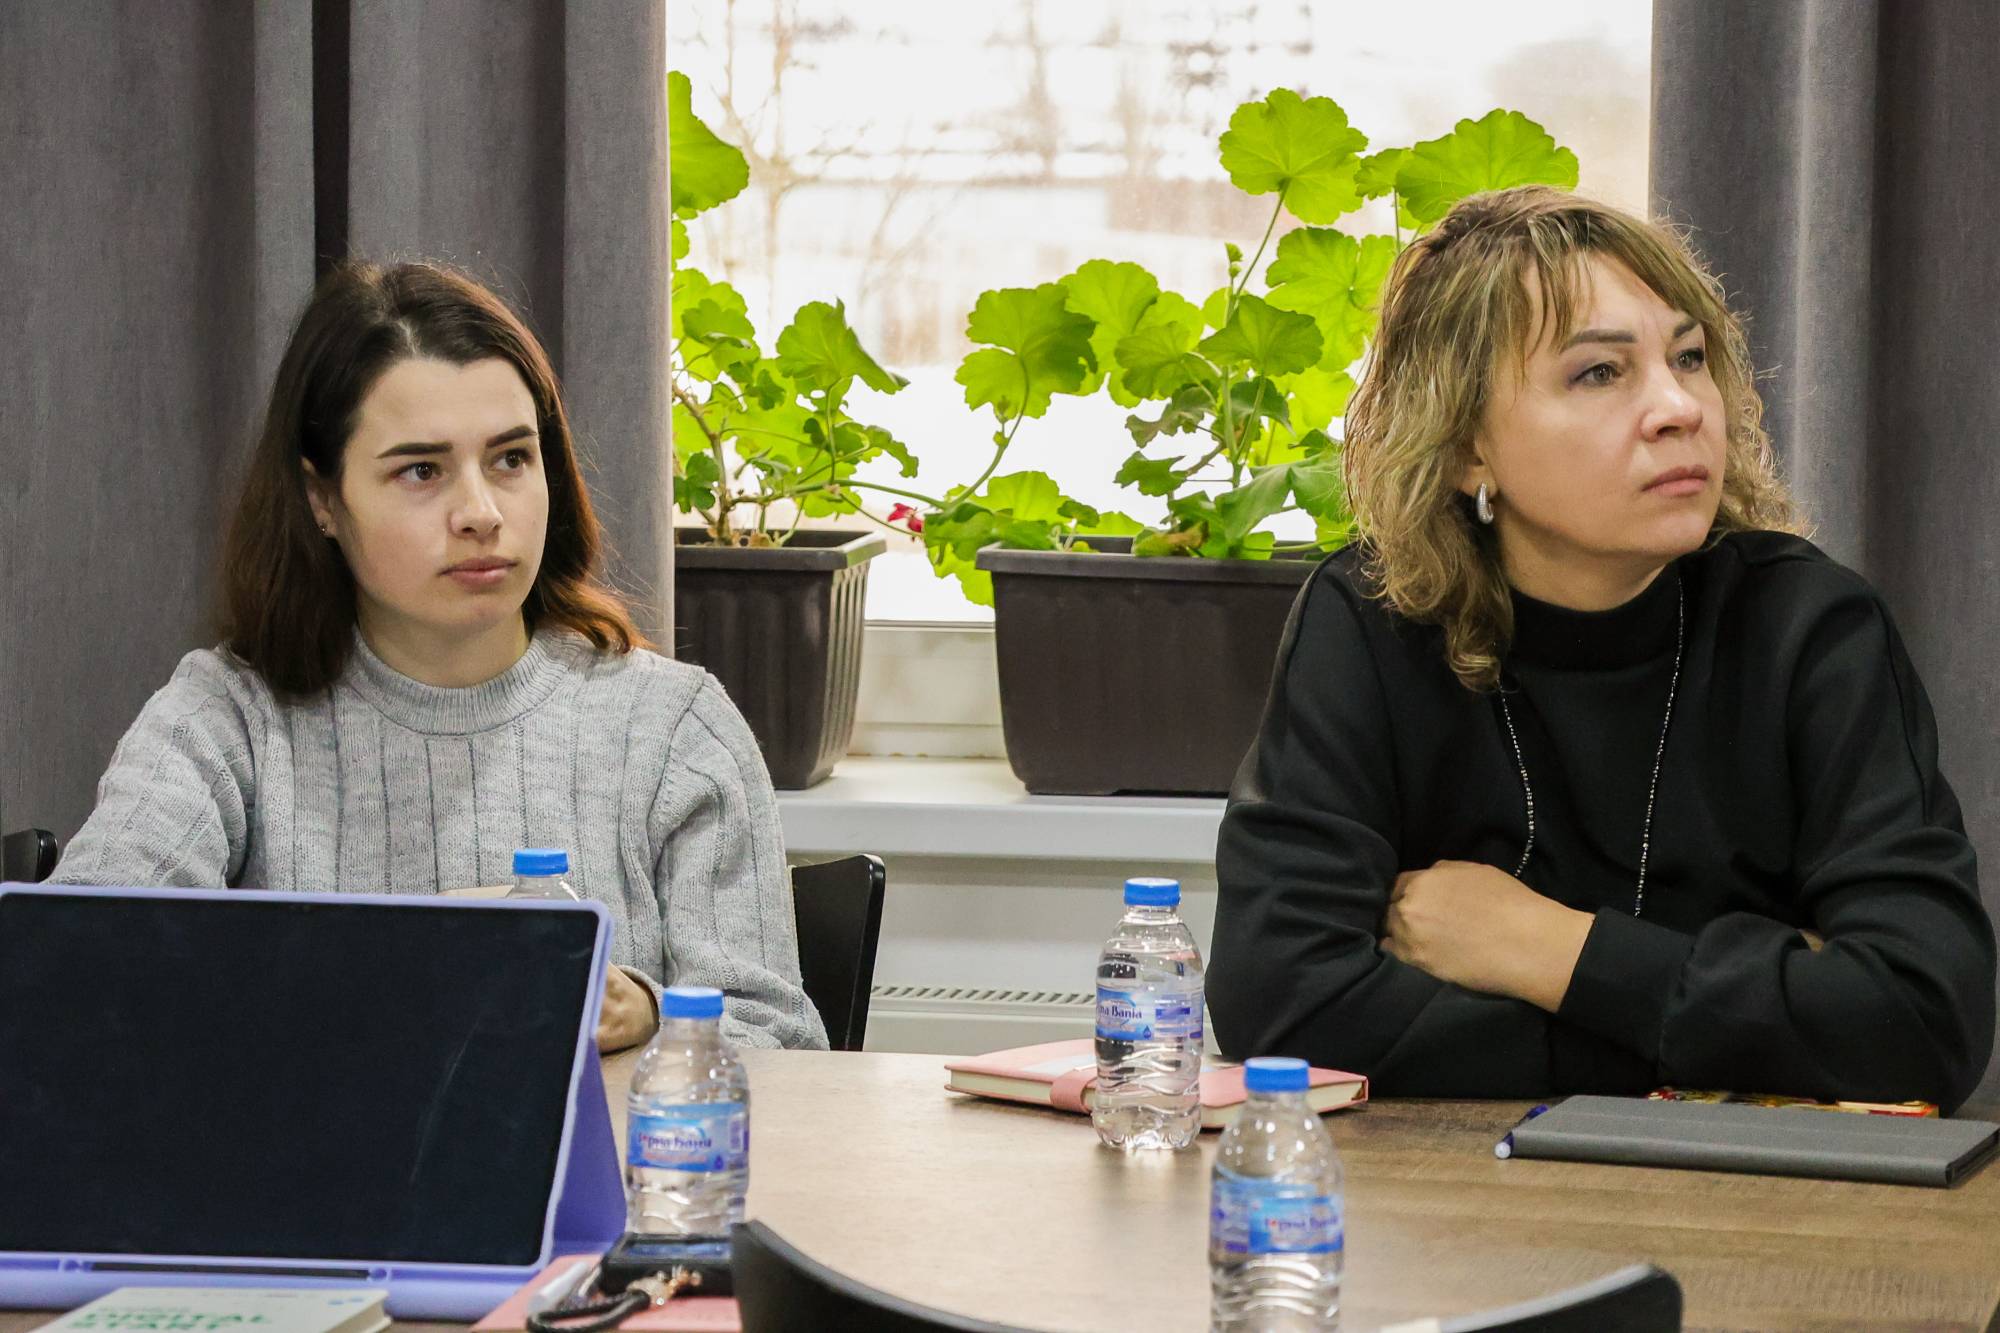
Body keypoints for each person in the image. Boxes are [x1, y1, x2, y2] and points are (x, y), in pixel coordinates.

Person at [1208, 186, 1995, 1111]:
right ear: (1466, 447)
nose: (1678, 407)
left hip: (1753, 1196)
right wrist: (1738, 1034)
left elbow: (1923, 1020)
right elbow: (1283, 1005)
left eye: (1689, 358)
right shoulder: (1371, 623)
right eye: (1599, 373)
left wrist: (1543, 949)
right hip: (1459, 1194)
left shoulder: (1810, 628)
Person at [51, 260, 827, 1054]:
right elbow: (66, 972)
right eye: (421, 470)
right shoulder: (226, 718)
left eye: (511, 459)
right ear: (322, 499)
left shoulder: (675, 729)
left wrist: (654, 1013)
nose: (481, 513)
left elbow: (783, 1041)